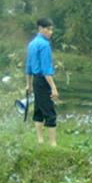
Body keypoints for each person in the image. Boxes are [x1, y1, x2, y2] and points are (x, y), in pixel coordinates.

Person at [25, 18, 59, 146]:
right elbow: (46, 70)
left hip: (35, 81)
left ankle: (40, 140)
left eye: (51, 29)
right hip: (44, 82)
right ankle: (52, 143)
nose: (50, 32)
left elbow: (28, 67)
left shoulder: (32, 44)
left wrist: (28, 84)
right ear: (40, 28)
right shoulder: (44, 45)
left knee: (38, 110)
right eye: (48, 29)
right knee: (50, 112)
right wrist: (53, 87)